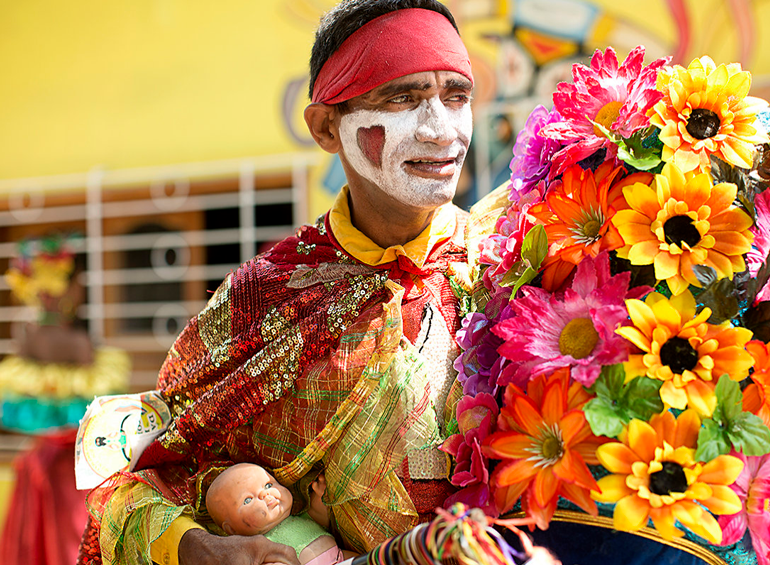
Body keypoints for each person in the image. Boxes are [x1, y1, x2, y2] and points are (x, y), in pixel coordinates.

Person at [77, 1, 478, 564]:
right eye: (402, 97)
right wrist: (196, 547)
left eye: (456, 96)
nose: (442, 130)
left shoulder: (516, 260)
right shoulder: (263, 296)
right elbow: (143, 480)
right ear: (325, 128)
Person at [205, 463, 356, 565]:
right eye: (248, 500)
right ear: (232, 530)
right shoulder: (261, 548)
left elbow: (319, 516)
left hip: (341, 557)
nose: (266, 494)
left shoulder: (300, 518)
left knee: (374, 557)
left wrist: (321, 496)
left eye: (268, 485)